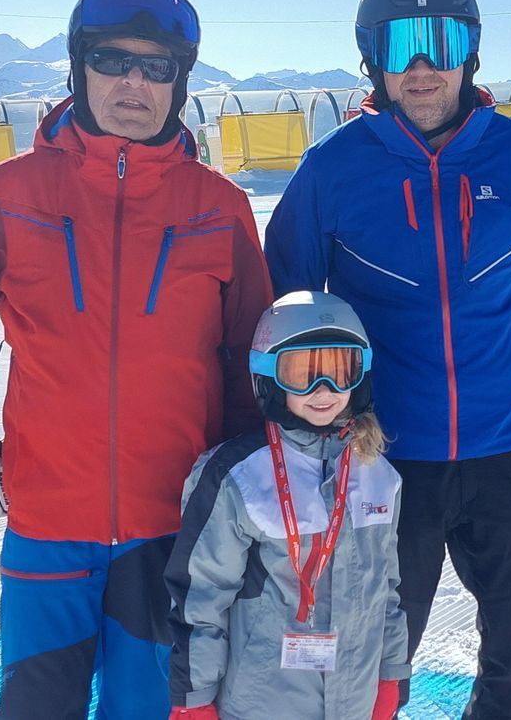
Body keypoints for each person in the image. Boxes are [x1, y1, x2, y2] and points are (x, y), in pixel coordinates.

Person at [0, 0, 272, 719]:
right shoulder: (13, 192)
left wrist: (248, 488)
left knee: (149, 711)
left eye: (157, 66)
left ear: (179, 82)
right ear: (80, 69)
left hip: (171, 529)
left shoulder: (219, 207)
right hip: (48, 525)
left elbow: (249, 359)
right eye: (112, 60)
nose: (133, 82)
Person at [264, 0, 511, 719]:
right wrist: (314, 439)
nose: (420, 65)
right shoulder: (333, 169)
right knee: (368, 670)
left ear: (469, 50)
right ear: (371, 55)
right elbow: (284, 308)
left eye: (439, 40)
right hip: (384, 462)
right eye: (400, 41)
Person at [165, 291, 410, 720]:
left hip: (354, 697)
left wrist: (391, 674)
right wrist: (195, 699)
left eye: (340, 370)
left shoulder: (377, 473)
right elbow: (200, 599)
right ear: (269, 377)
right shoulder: (239, 476)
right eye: (303, 373)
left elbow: (385, 590)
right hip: (263, 701)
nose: (325, 390)